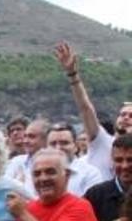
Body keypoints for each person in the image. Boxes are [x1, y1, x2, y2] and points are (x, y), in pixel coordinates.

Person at [55, 41, 132, 183]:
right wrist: (72, 74)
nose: (126, 118)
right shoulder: (102, 142)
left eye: (131, 116)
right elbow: (85, 108)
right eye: (122, 114)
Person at [46, 123, 101, 197]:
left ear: (75, 146)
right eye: (53, 144)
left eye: (64, 143)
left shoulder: (90, 174)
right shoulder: (36, 173)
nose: (58, 148)